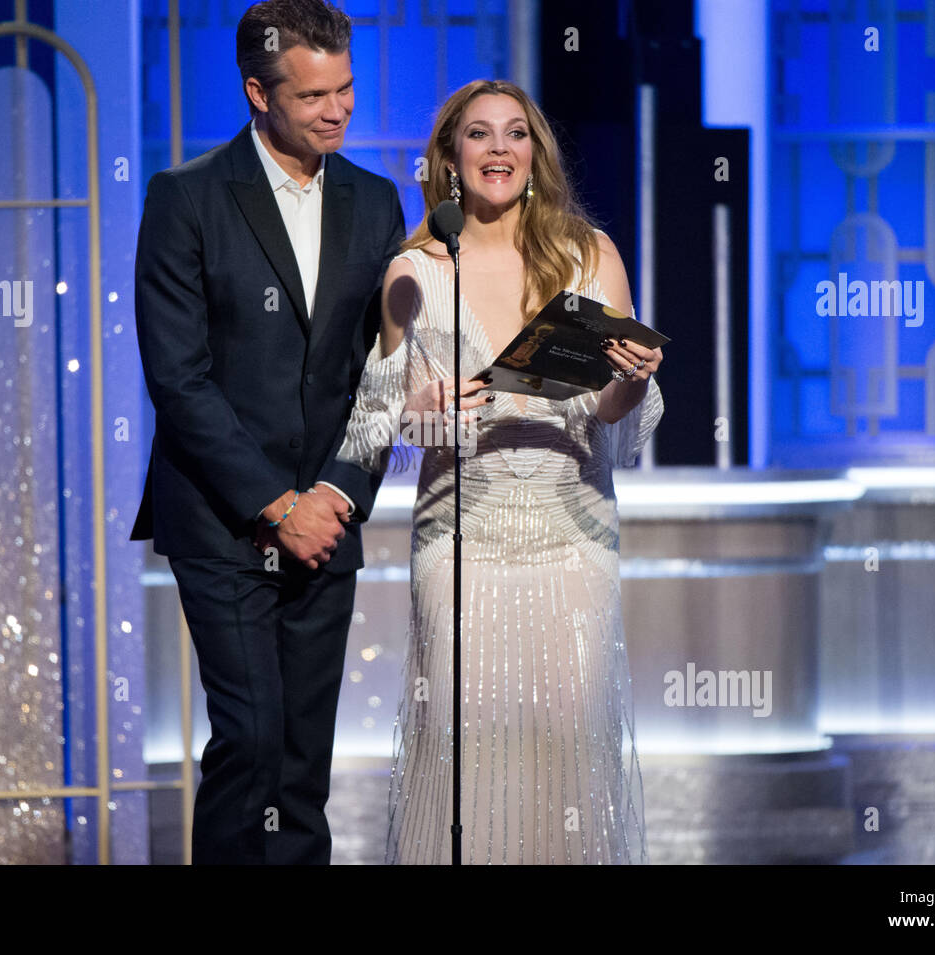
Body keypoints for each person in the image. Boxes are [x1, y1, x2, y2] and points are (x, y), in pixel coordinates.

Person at [334, 79, 665, 864]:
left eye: (516, 134)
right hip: (462, 547)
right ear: (450, 158)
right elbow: (374, 425)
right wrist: (427, 405)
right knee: (464, 754)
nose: (499, 150)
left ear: (534, 153)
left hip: (571, 541)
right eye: (479, 135)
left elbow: (612, 418)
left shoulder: (588, 254)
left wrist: (634, 377)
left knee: (566, 749)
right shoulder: (414, 270)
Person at [129, 0, 404, 864]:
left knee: (300, 763)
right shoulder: (188, 197)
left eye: (347, 90)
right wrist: (275, 502)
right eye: (314, 95)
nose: (337, 110)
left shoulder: (375, 202)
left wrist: (334, 495)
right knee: (249, 738)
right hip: (223, 518)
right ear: (258, 92)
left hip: (328, 521)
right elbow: (178, 377)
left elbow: (384, 372)